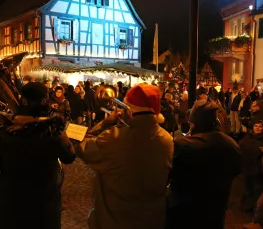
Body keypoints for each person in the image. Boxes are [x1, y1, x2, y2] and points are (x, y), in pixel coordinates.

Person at [77, 84, 173, 229]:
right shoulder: (167, 140)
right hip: (152, 220)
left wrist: (105, 123)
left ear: (129, 110)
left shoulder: (113, 137)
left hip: (114, 220)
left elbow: (83, 146)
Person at [0, 82, 76, 229]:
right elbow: (69, 157)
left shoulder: (4, 133)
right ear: (45, 102)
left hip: (10, 206)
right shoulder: (53, 133)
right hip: (43, 208)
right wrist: (60, 129)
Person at [166, 99, 241, 229]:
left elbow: (169, 175)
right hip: (216, 211)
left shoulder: (183, 145)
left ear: (193, 123)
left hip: (185, 212)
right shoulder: (231, 144)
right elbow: (236, 171)